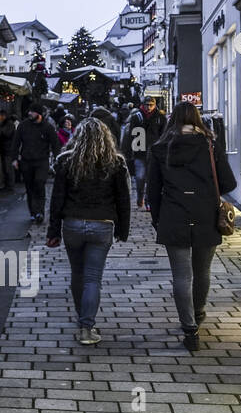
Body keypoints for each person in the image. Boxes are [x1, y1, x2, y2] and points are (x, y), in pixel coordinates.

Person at [146, 101, 237, 351]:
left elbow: (152, 191)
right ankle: (198, 312)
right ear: (197, 118)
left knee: (181, 275)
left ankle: (189, 329)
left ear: (172, 119)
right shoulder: (209, 145)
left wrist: (157, 219)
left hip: (174, 214)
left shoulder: (161, 147)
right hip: (206, 213)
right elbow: (228, 183)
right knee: (203, 271)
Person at [46, 118, 131, 345]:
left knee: (77, 273)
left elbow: (57, 200)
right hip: (102, 224)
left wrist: (52, 230)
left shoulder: (66, 161)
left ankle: (81, 314)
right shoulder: (116, 163)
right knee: (93, 278)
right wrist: (123, 229)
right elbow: (123, 200)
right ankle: (87, 327)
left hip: (72, 224)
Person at [11, 105, 60, 225]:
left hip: (41, 160)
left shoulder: (47, 127)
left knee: (39, 183)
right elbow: (16, 142)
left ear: (39, 114)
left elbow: (55, 144)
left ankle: (40, 212)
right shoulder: (23, 126)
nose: (30, 114)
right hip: (26, 161)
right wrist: (14, 158)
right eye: (30, 111)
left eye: (32, 112)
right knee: (29, 187)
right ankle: (33, 213)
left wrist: (58, 159)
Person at [123, 96, 167, 209]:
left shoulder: (160, 117)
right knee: (140, 177)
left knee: (151, 178)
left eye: (151, 105)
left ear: (155, 105)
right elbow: (131, 135)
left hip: (154, 151)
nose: (148, 107)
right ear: (143, 105)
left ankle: (148, 200)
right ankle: (140, 196)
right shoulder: (136, 117)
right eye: (147, 105)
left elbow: (164, 135)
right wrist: (128, 151)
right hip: (139, 150)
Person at [0, 109, 17, 191]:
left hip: (8, 148)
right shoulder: (6, 123)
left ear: (3, 116)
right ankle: (7, 185)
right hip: (5, 148)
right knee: (6, 168)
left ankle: (10, 186)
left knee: (8, 167)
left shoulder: (9, 124)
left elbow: (6, 134)